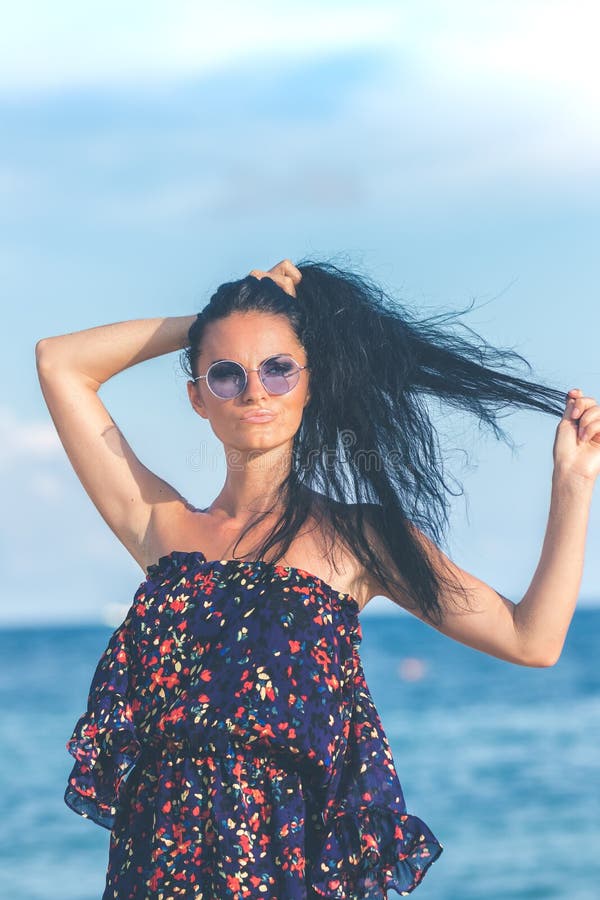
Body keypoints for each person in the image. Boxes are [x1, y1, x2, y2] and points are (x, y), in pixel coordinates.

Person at [36, 258, 599, 899]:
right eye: (226, 374)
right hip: (155, 867)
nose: (255, 390)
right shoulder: (161, 528)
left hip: (284, 866)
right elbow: (60, 363)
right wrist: (219, 320)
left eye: (279, 368)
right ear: (197, 396)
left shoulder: (361, 539)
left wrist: (574, 484)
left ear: (311, 383)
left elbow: (534, 639)